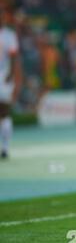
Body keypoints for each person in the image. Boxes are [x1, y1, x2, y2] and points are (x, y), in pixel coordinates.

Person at [0, 8, 22, 159]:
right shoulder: (9, 35)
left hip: (2, 77)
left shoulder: (9, 35)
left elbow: (14, 57)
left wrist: (11, 75)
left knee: (4, 112)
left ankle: (5, 147)